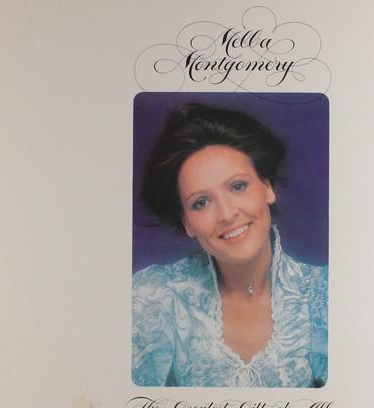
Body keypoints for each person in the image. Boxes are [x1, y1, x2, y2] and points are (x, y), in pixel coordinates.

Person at [132, 102, 328, 387]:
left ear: (267, 188)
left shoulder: (324, 295)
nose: (226, 214)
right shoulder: (154, 298)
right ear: (187, 222)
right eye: (201, 202)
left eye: (237, 186)